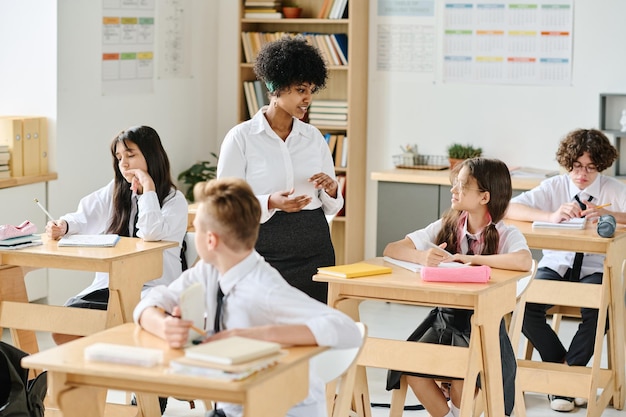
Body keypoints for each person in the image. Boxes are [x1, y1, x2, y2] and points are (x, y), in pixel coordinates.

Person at [134, 177, 361, 417]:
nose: (192, 233)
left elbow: (347, 330)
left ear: (211, 240)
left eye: (196, 228)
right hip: (236, 407)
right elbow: (153, 298)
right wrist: (163, 325)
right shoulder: (209, 271)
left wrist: (253, 336)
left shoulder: (264, 288)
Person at [385, 158, 532, 417]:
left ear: (484, 196)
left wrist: (471, 260)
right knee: (412, 369)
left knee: (464, 375)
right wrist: (423, 257)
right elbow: (392, 249)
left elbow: (523, 261)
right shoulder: (447, 225)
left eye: (463, 186)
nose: (454, 190)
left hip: (483, 329)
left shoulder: (506, 234)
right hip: (443, 322)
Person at [505, 128, 626, 412]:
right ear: (566, 163)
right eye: (576, 167)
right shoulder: (554, 186)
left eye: (590, 168)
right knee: (522, 305)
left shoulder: (613, 189)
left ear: (601, 166)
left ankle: (566, 377)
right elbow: (510, 208)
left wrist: (612, 215)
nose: (582, 175)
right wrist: (550, 215)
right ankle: (566, 372)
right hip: (557, 265)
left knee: (599, 310)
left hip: (596, 269)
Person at [217, 36, 343, 303]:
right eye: (300, 89)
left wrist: (332, 190)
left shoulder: (313, 138)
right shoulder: (241, 138)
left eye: (310, 90)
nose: (307, 98)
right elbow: (225, 203)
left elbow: (330, 207)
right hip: (261, 249)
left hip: (315, 249)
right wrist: (270, 202)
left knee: (310, 328)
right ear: (275, 86)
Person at [46, 126, 188, 345]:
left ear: (152, 156)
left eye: (131, 155)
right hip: (109, 287)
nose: (124, 163)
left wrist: (147, 188)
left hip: (152, 289)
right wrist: (64, 225)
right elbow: (84, 215)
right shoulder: (114, 191)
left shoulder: (174, 200)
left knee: (136, 325)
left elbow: (151, 232)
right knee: (64, 325)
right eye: (119, 157)